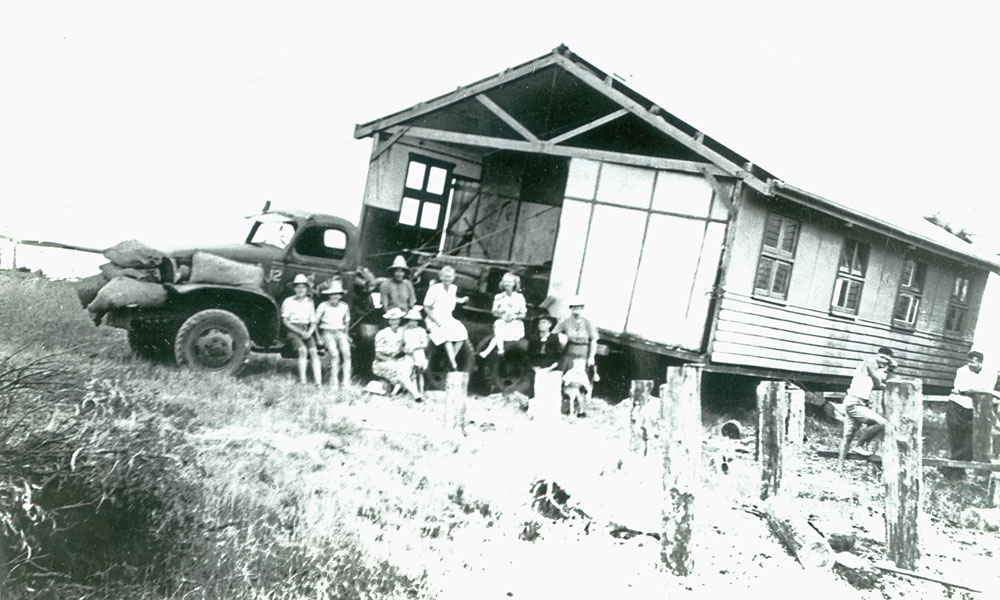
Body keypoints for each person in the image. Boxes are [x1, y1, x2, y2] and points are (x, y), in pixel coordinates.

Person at [838, 346, 897, 467]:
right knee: (882, 423)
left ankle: (839, 468)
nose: (883, 360)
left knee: (847, 436)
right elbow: (878, 383)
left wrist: (889, 369)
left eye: (886, 359)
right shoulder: (870, 362)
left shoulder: (877, 370)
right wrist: (889, 366)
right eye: (881, 357)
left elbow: (878, 385)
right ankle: (858, 445)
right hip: (854, 403)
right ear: (876, 356)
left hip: (857, 402)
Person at [943, 351, 1000, 477]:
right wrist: (987, 391)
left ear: (980, 363)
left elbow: (984, 391)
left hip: (975, 411)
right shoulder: (962, 371)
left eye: (973, 362)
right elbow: (962, 389)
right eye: (969, 361)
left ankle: (947, 467)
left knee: (971, 444)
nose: (970, 365)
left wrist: (981, 391)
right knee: (956, 441)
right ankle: (956, 473)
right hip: (956, 407)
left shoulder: (990, 373)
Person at [423, 265, 470, 371]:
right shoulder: (434, 289)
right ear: (440, 277)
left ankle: (451, 358)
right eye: (445, 276)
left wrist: (462, 300)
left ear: (453, 277)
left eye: (449, 277)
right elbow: (426, 307)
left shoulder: (453, 288)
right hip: (434, 317)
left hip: (448, 317)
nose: (447, 279)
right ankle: (453, 364)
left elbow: (451, 298)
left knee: (462, 333)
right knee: (446, 336)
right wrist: (436, 320)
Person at [372, 307, 422, 402]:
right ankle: (417, 395)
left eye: (397, 319)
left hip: (397, 360)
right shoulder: (382, 334)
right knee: (402, 372)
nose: (395, 321)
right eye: (392, 319)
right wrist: (392, 360)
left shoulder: (401, 331)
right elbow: (378, 354)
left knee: (409, 366)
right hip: (382, 363)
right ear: (389, 321)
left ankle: (396, 392)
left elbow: (403, 347)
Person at [281, 274, 321, 385]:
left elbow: (313, 321)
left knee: (313, 352)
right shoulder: (288, 301)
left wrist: (309, 332)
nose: (300, 290)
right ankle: (303, 381)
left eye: (303, 287)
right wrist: (300, 332)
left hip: (306, 329)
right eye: (298, 287)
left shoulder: (310, 302)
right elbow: (285, 321)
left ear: (307, 289)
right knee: (302, 350)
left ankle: (318, 382)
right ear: (294, 289)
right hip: (292, 330)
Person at [479, 272, 527, 358]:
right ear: (502, 283)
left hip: (515, 324)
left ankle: (488, 351)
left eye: (510, 282)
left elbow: (524, 314)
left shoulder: (519, 297)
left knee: (498, 334)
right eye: (505, 282)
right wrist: (501, 314)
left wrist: (514, 316)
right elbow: (494, 312)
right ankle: (500, 349)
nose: (507, 284)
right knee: (499, 324)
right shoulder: (498, 297)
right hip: (502, 321)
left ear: (514, 284)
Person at [316, 278, 351, 390]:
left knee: (347, 354)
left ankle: (346, 382)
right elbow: (314, 323)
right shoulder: (323, 306)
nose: (335, 297)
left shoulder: (344, 306)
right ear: (329, 295)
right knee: (335, 354)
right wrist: (318, 338)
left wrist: (346, 334)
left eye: (338, 294)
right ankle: (334, 382)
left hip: (340, 332)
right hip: (327, 332)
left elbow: (346, 321)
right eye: (333, 294)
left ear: (341, 295)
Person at [553, 295, 598, 376]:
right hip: (569, 351)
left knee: (579, 376)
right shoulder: (565, 321)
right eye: (573, 307)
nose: (576, 310)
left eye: (578, 307)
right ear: (570, 308)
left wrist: (591, 357)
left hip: (583, 352)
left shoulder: (588, 322)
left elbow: (593, 340)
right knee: (565, 375)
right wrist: (561, 339)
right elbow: (554, 333)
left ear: (582, 308)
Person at [403, 306, 429, 396]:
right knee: (412, 374)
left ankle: (421, 391)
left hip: (418, 354)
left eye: (415, 321)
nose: (413, 322)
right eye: (411, 320)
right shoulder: (406, 331)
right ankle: (415, 392)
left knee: (419, 374)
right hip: (409, 355)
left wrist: (415, 347)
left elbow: (425, 344)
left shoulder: (421, 331)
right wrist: (405, 350)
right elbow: (404, 344)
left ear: (418, 321)